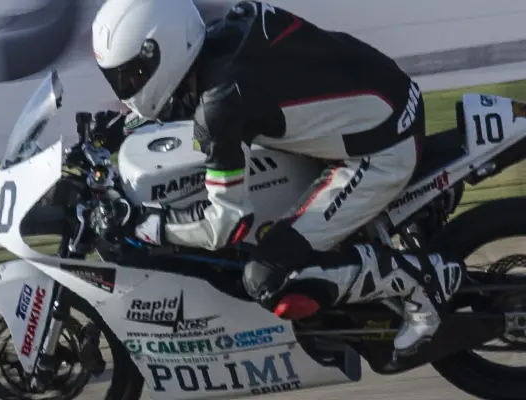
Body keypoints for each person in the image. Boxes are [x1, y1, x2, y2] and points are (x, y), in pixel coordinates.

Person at [89, 0, 464, 357]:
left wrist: (148, 225)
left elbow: (226, 224)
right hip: (386, 98)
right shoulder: (225, 34)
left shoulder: (222, 104)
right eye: (120, 78)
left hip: (381, 150)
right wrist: (123, 125)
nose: (128, 87)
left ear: (162, 50)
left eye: (133, 75)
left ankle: (420, 281)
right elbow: (199, 96)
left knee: (269, 276)